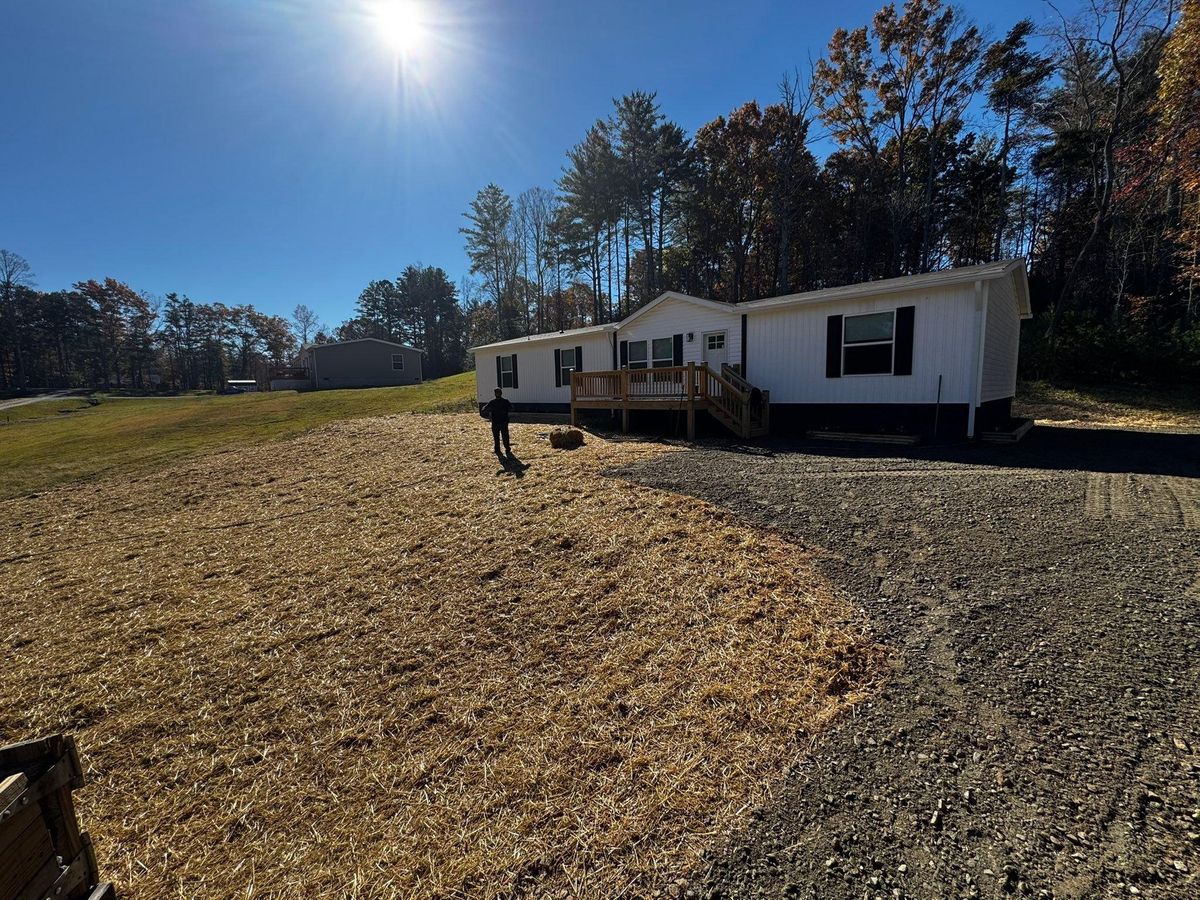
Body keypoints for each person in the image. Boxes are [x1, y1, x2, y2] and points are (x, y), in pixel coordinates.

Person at [481, 387, 513, 455]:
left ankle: (497, 449)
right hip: (503, 421)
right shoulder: (505, 401)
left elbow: (484, 409)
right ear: (501, 393)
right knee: (505, 436)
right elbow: (512, 408)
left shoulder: (492, 402)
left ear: (495, 394)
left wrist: (488, 410)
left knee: (496, 436)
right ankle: (507, 449)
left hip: (495, 422)